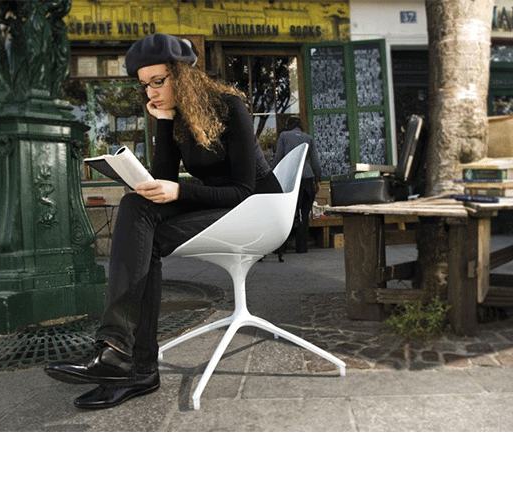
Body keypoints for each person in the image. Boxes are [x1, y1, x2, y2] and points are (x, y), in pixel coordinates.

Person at [44, 33, 282, 409]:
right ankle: (119, 354)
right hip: (218, 205)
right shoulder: (177, 117)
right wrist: (165, 124)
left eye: (158, 81)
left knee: (145, 228)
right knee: (137, 208)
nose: (151, 92)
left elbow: (242, 190)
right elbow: (162, 180)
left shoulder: (229, 106)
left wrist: (179, 191)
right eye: (144, 85)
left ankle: (129, 361)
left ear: (182, 76)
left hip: (258, 210)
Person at [272, 117, 321, 254]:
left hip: (291, 176)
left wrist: (270, 172)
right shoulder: (308, 138)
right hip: (307, 176)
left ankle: (281, 247)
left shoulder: (284, 136)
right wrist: (318, 179)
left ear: (289, 125)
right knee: (304, 214)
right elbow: (315, 161)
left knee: (286, 213)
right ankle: (302, 247)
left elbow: (279, 156)